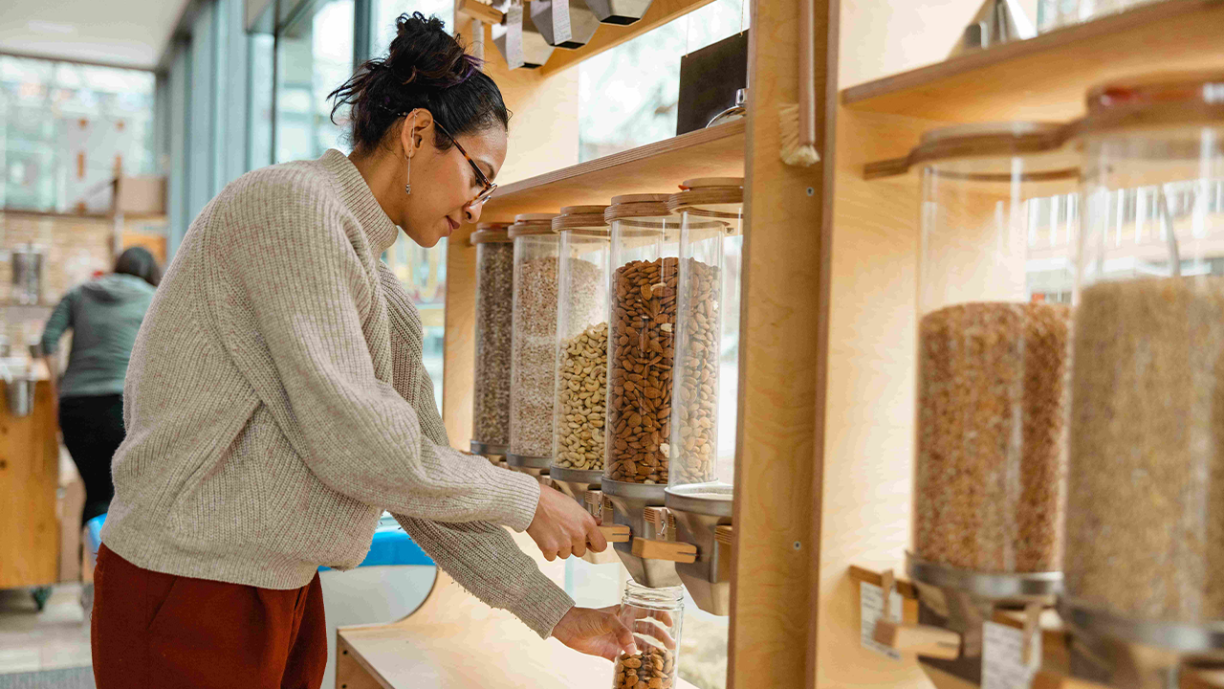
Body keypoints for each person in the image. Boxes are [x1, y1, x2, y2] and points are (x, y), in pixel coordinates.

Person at [90, 14, 641, 689]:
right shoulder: (291, 208)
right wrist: (525, 498)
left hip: (281, 587)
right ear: (416, 133)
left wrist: (557, 613)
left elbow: (415, 481)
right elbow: (365, 449)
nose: (476, 206)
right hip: (189, 584)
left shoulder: (378, 286)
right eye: (479, 175)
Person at [40, 247, 160, 525]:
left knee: (95, 493)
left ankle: (89, 565)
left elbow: (47, 341)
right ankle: (109, 566)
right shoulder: (153, 299)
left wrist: (58, 389)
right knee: (122, 495)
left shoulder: (79, 292)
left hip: (75, 407)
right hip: (122, 408)